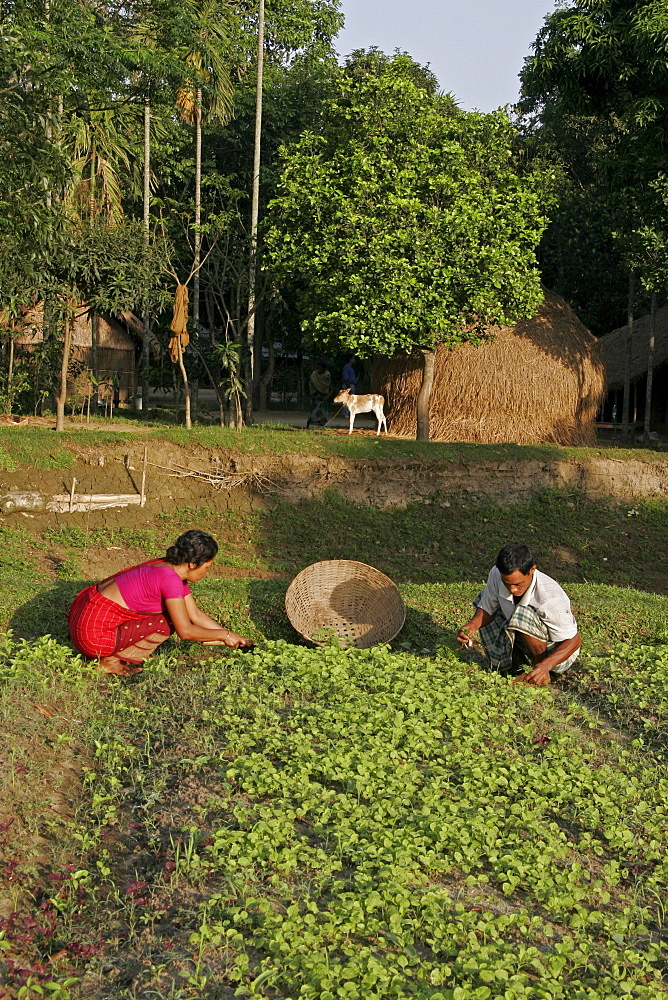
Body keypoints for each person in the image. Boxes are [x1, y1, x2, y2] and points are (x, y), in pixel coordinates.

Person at [68, 529, 253, 676]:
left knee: (177, 613)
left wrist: (229, 636)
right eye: (207, 567)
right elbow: (185, 631)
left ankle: (111, 657)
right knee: (169, 619)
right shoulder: (170, 580)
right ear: (193, 564)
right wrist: (222, 635)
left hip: (81, 618)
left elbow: (194, 613)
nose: (207, 572)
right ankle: (112, 661)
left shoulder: (167, 567)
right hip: (92, 637)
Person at [456, 542, 581, 686]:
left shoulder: (551, 598)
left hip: (557, 655)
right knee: (484, 597)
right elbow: (487, 608)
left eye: (518, 584)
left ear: (532, 570)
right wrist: (471, 626)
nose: (512, 590)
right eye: (507, 583)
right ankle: (513, 668)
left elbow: (574, 641)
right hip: (524, 640)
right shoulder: (496, 574)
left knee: (522, 614)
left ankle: (538, 674)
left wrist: (545, 666)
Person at [306, 360, 332, 428]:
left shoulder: (327, 375)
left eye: (320, 368)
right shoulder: (314, 374)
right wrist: (314, 393)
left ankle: (322, 423)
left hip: (323, 396)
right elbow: (311, 384)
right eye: (318, 368)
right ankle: (311, 422)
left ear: (324, 368)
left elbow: (326, 386)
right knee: (313, 409)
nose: (319, 370)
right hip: (314, 395)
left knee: (323, 409)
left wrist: (321, 394)